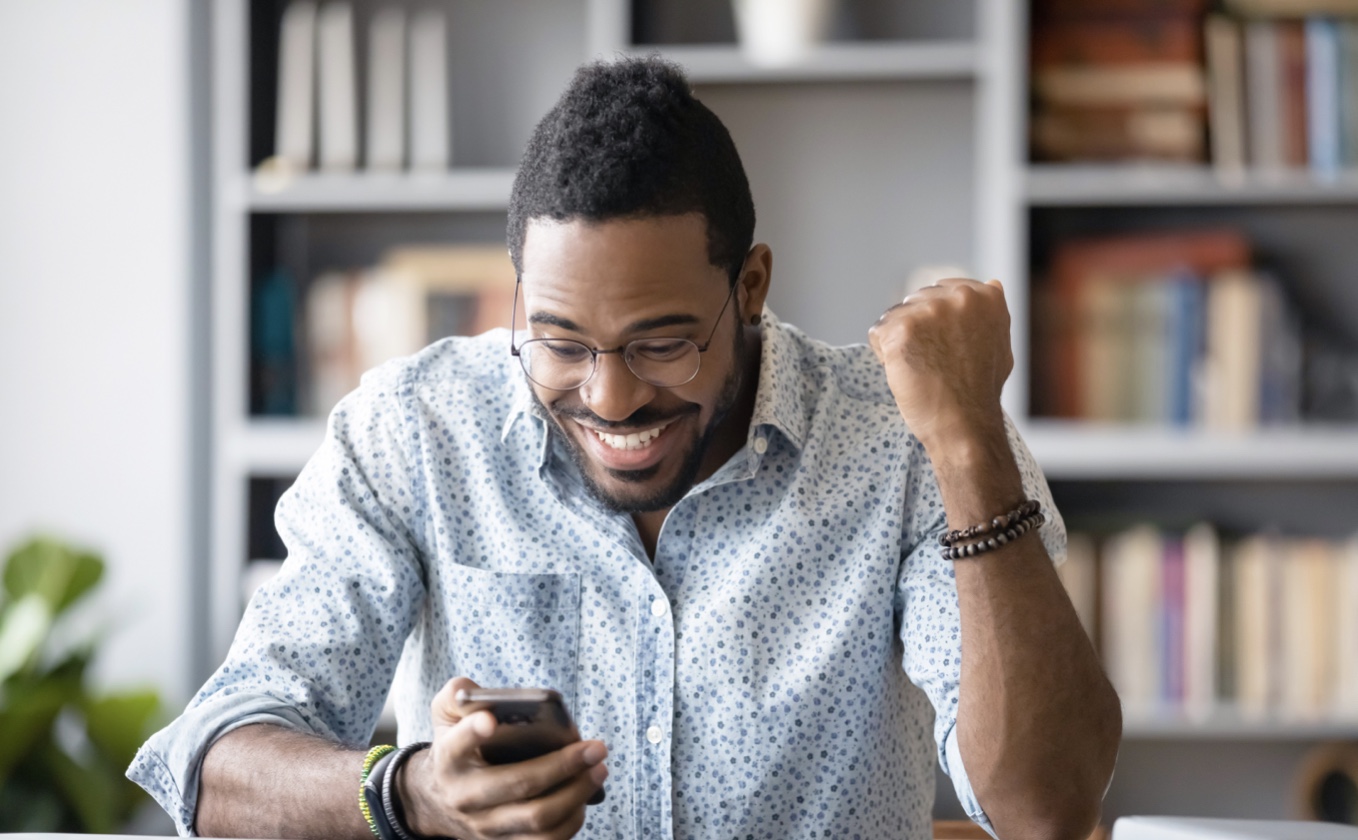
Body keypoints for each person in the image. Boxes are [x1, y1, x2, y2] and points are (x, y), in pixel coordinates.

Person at [129, 57, 1120, 840]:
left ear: (751, 287)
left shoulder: (904, 437)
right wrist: (412, 791)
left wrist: (965, 439)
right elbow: (213, 766)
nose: (609, 397)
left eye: (662, 343)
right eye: (559, 340)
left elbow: (1044, 810)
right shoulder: (416, 430)